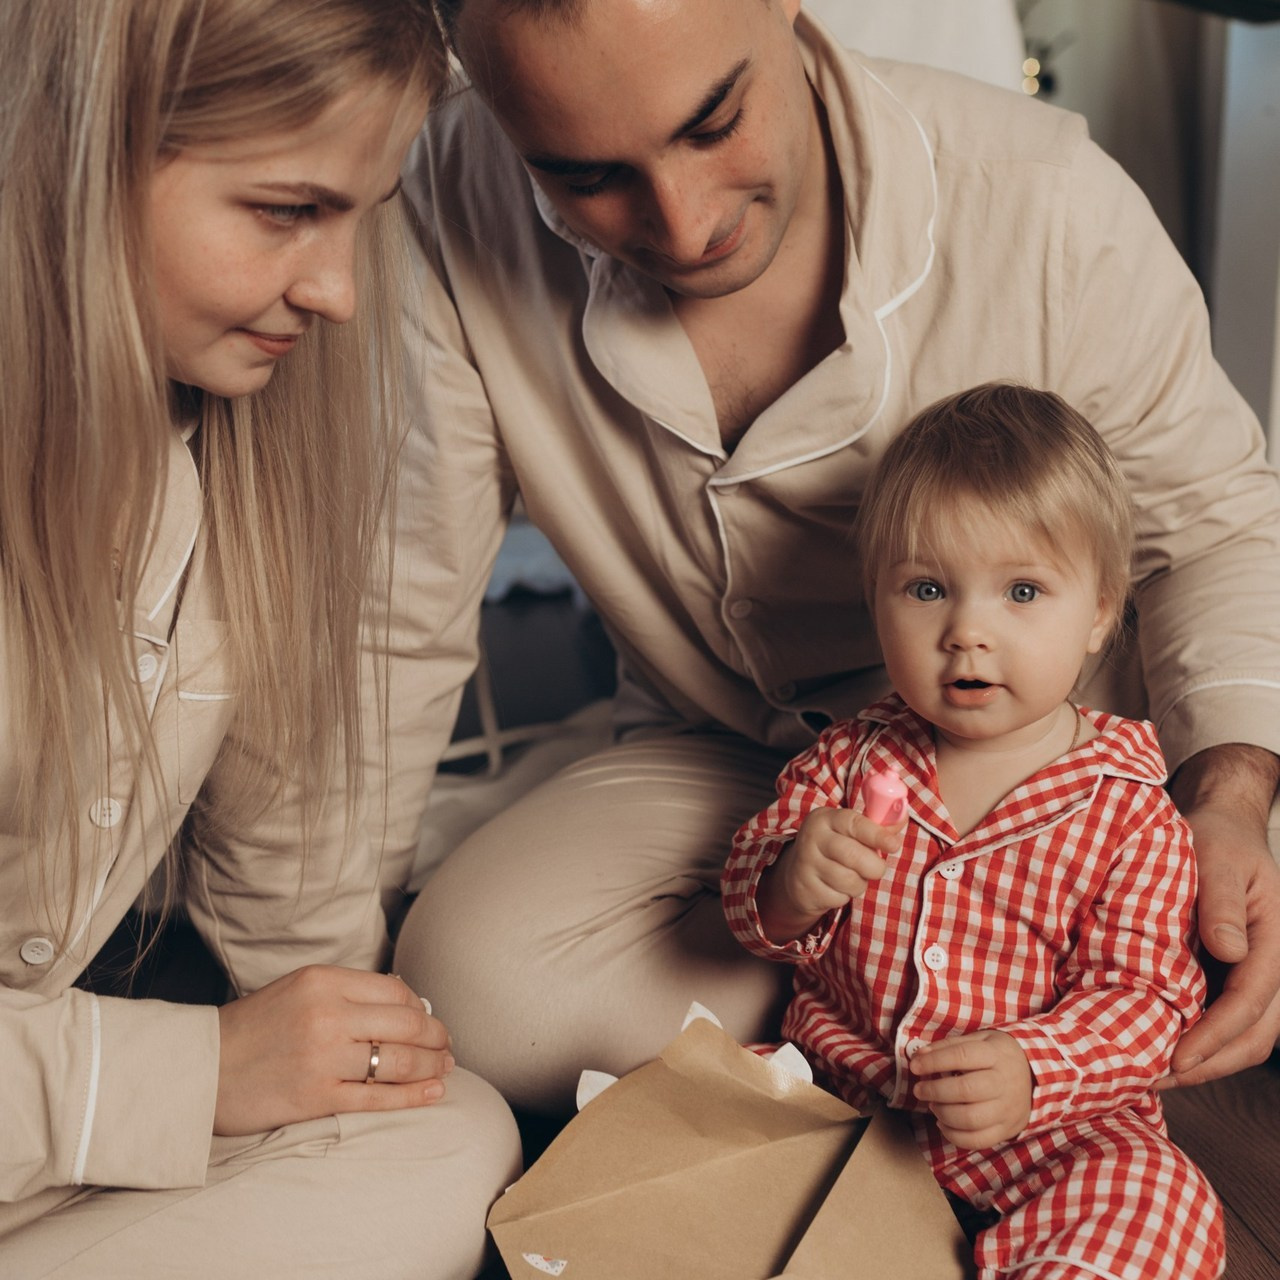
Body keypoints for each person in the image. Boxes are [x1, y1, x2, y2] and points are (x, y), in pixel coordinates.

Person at [383, 0, 1280, 1114]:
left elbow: (1212, 527)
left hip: (1061, 752)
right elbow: (395, 621)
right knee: (471, 991)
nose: (682, 220)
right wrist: (299, 977)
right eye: (586, 176)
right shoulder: (445, 196)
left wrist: (1227, 799)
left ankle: (940, 994)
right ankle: (914, 993)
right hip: (727, 753)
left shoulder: (1047, 202)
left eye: (714, 123)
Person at [0, 3, 519, 1276]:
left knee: (447, 1134)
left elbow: (283, 867)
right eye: (287, 211)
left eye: (362, 213)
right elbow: (197, 1071)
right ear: (69, 155)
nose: (337, 292)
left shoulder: (217, 443)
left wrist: (344, 1036)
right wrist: (206, 1068)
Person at [722, 383, 1223, 1280]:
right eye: (926, 590)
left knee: (1159, 1200)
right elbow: (750, 910)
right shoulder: (846, 763)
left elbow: (1145, 998)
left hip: (1042, 1134)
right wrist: (789, 882)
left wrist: (1035, 1068)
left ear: (1102, 609)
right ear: (876, 601)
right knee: (702, 1126)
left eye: (1022, 591)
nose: (967, 634)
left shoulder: (1129, 809)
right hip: (842, 1102)